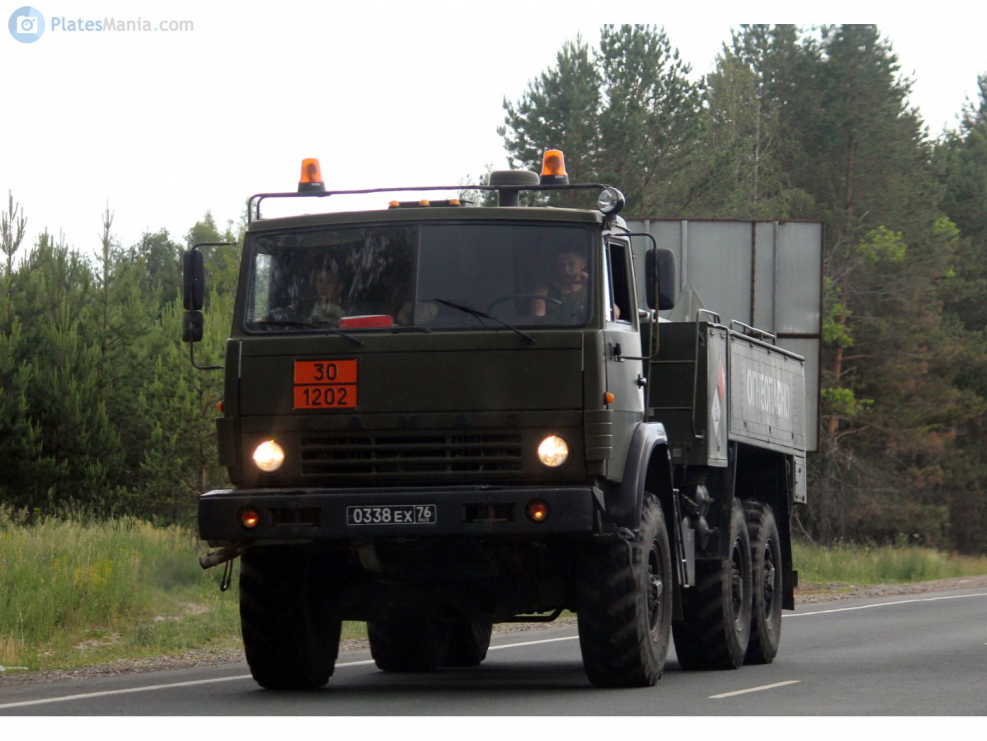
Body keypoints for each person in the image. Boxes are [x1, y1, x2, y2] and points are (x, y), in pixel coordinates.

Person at [528, 247, 592, 322]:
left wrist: (591, 283)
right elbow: (538, 321)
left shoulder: (591, 290)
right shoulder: (543, 291)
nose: (566, 269)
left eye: (571, 264)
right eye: (561, 265)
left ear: (583, 264)